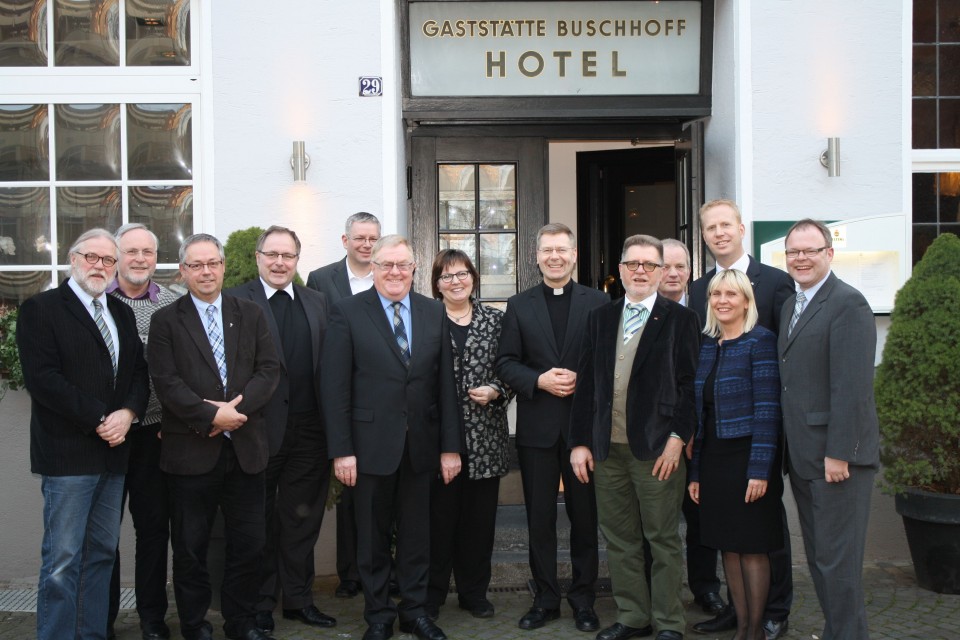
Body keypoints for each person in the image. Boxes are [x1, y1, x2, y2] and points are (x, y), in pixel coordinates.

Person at [322, 234, 461, 640]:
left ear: (415, 270)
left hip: (421, 447)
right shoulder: (347, 313)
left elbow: (444, 387)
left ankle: (415, 612)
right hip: (367, 450)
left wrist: (450, 448)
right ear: (373, 268)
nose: (395, 272)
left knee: (418, 537)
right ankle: (379, 614)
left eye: (403, 265)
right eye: (386, 265)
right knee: (371, 538)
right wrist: (342, 450)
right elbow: (335, 388)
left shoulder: (433, 312)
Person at [17, 228, 150, 640]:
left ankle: (91, 634)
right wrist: (100, 417)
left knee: (100, 557)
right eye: (91, 257)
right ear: (72, 259)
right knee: (62, 560)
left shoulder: (121, 312)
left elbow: (138, 374)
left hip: (113, 456)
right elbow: (44, 380)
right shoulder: (41, 309)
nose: (99, 265)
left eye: (108, 260)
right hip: (68, 456)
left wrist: (128, 413)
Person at [148, 233, 281, 640]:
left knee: (249, 544)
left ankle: (240, 622)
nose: (206, 271)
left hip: (245, 451)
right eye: (196, 265)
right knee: (190, 547)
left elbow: (269, 370)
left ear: (223, 267)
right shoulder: (166, 320)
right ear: (183, 271)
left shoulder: (252, 313)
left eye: (212, 263)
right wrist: (212, 416)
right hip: (191, 451)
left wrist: (234, 414)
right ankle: (195, 623)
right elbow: (166, 383)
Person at [569, 234, 700, 640]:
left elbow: (691, 386)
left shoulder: (681, 320)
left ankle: (668, 622)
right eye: (633, 264)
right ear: (621, 270)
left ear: (662, 272)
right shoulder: (600, 319)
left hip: (657, 449)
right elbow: (587, 384)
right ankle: (632, 616)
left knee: (661, 538)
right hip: (608, 450)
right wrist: (580, 442)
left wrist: (678, 439)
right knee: (621, 537)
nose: (640, 271)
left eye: (649, 264)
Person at [688, 199, 794, 639]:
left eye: (725, 225)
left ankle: (772, 614)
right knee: (729, 540)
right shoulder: (697, 291)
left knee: (764, 540)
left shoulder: (776, 282)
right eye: (710, 227)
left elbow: (774, 391)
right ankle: (739, 614)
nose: (718, 233)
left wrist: (762, 463)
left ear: (741, 228)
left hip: (755, 444)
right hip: (715, 452)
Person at [496, 222, 607, 633]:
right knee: (539, 519)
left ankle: (583, 599)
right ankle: (544, 598)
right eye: (547, 250)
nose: (555, 256)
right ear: (536, 256)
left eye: (562, 249)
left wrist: (583, 379)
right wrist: (538, 380)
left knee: (584, 518)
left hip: (583, 433)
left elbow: (606, 363)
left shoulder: (598, 302)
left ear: (574, 254)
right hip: (537, 432)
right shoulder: (519, 305)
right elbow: (506, 361)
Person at [226, 226, 336, 633]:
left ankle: (299, 600)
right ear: (257, 257)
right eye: (271, 254)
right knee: (258, 522)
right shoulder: (235, 299)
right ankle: (259, 606)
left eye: (287, 256)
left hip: (310, 430)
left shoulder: (317, 301)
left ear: (297, 259)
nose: (279, 262)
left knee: (300, 521)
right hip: (256, 430)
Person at [778, 219, 879, 640]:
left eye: (810, 251)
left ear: (829, 254)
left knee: (838, 562)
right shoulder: (792, 303)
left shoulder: (848, 304)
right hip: (804, 457)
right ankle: (838, 631)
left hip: (835, 460)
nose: (801, 259)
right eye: (794, 252)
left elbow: (852, 387)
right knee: (822, 558)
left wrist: (840, 452)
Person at [426, 249, 514, 621]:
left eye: (462, 274)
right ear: (436, 284)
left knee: (479, 524)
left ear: (474, 278)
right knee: (437, 523)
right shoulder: (425, 320)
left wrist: (497, 389)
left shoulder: (496, 321)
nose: (456, 281)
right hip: (436, 440)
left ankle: (473, 593)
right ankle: (430, 596)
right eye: (447, 276)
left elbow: (511, 368)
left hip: (485, 438)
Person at [106, 223, 181, 640]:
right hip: (106, 435)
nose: (139, 259)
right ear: (118, 255)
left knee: (153, 529)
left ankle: (152, 617)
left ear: (156, 257)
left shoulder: (172, 303)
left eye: (147, 252)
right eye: (131, 251)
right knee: (103, 532)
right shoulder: (98, 301)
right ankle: (104, 617)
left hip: (155, 433)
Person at [306, 211, 381, 599]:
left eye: (373, 238)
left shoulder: (389, 275)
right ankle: (349, 574)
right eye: (360, 238)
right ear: (345, 240)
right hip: (340, 396)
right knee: (348, 491)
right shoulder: (321, 280)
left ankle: (384, 570)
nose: (366, 245)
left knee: (380, 490)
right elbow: (316, 335)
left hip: (379, 398)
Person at [658, 239, 691, 306]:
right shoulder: (640, 310)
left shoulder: (703, 308)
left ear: (688, 272)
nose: (673, 274)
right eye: (665, 267)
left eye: (680, 267)